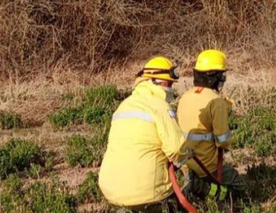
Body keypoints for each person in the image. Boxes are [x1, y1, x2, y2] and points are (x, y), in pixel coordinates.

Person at [99, 57, 189, 213]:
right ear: (153, 81)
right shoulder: (160, 106)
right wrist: (184, 162)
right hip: (148, 194)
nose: (171, 88)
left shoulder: (124, 105)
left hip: (111, 192)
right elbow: (176, 148)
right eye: (168, 83)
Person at [177, 49, 247, 202]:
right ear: (213, 77)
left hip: (185, 163)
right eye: (221, 75)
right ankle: (202, 189)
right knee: (239, 184)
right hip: (206, 166)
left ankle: (196, 186)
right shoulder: (216, 102)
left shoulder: (185, 97)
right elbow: (223, 141)